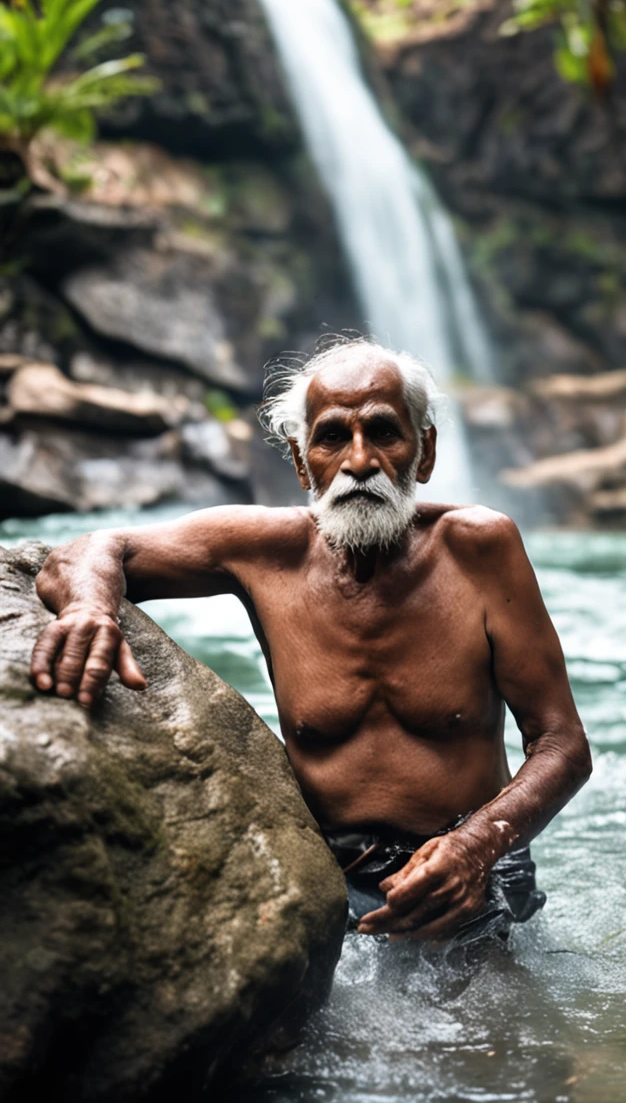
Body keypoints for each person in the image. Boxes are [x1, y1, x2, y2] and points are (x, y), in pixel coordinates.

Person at [29, 339, 591, 944]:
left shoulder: (480, 547)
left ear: (424, 454)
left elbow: (563, 745)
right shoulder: (264, 550)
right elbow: (86, 551)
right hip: (331, 869)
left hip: (480, 862)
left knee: (493, 1034)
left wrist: (478, 846)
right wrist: (91, 608)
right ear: (301, 463)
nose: (360, 461)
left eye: (383, 433)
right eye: (331, 438)